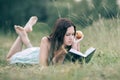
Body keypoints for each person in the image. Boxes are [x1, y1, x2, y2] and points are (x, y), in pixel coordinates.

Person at [6, 16, 83, 66]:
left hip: (40, 51)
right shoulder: (46, 41)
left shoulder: (72, 43)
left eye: (73, 34)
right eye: (68, 34)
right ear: (60, 34)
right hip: (34, 57)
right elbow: (44, 67)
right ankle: (23, 34)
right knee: (9, 59)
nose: (71, 38)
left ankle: (24, 35)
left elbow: (78, 65)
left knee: (32, 49)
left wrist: (75, 48)